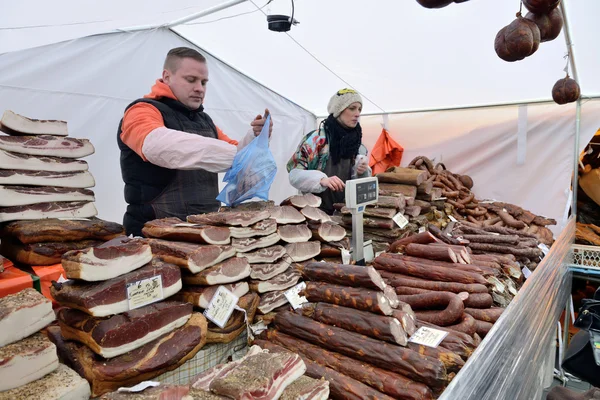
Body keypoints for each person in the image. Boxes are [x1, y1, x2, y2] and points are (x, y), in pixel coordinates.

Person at [117, 47, 273, 236]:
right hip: (152, 233)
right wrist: (244, 156)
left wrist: (254, 138)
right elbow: (157, 145)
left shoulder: (204, 120)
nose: (199, 88)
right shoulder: (141, 111)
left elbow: (234, 152)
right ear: (167, 77)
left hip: (204, 232)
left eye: (204, 82)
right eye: (191, 80)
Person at [286, 88, 371, 214]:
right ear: (338, 111)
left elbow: (359, 186)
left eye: (359, 109)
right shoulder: (316, 140)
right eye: (352, 108)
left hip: (346, 213)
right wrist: (321, 179)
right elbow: (294, 175)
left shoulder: (358, 145)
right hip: (314, 212)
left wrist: (362, 172)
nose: (357, 113)